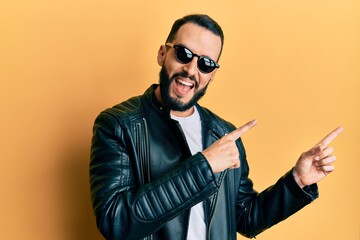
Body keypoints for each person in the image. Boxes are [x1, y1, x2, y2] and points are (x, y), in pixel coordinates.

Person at [89, 14, 343, 240]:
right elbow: (116, 222)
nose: (191, 70)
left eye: (206, 64)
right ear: (162, 54)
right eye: (183, 54)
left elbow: (245, 217)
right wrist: (204, 166)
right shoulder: (118, 125)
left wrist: (297, 182)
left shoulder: (223, 135)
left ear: (212, 75)